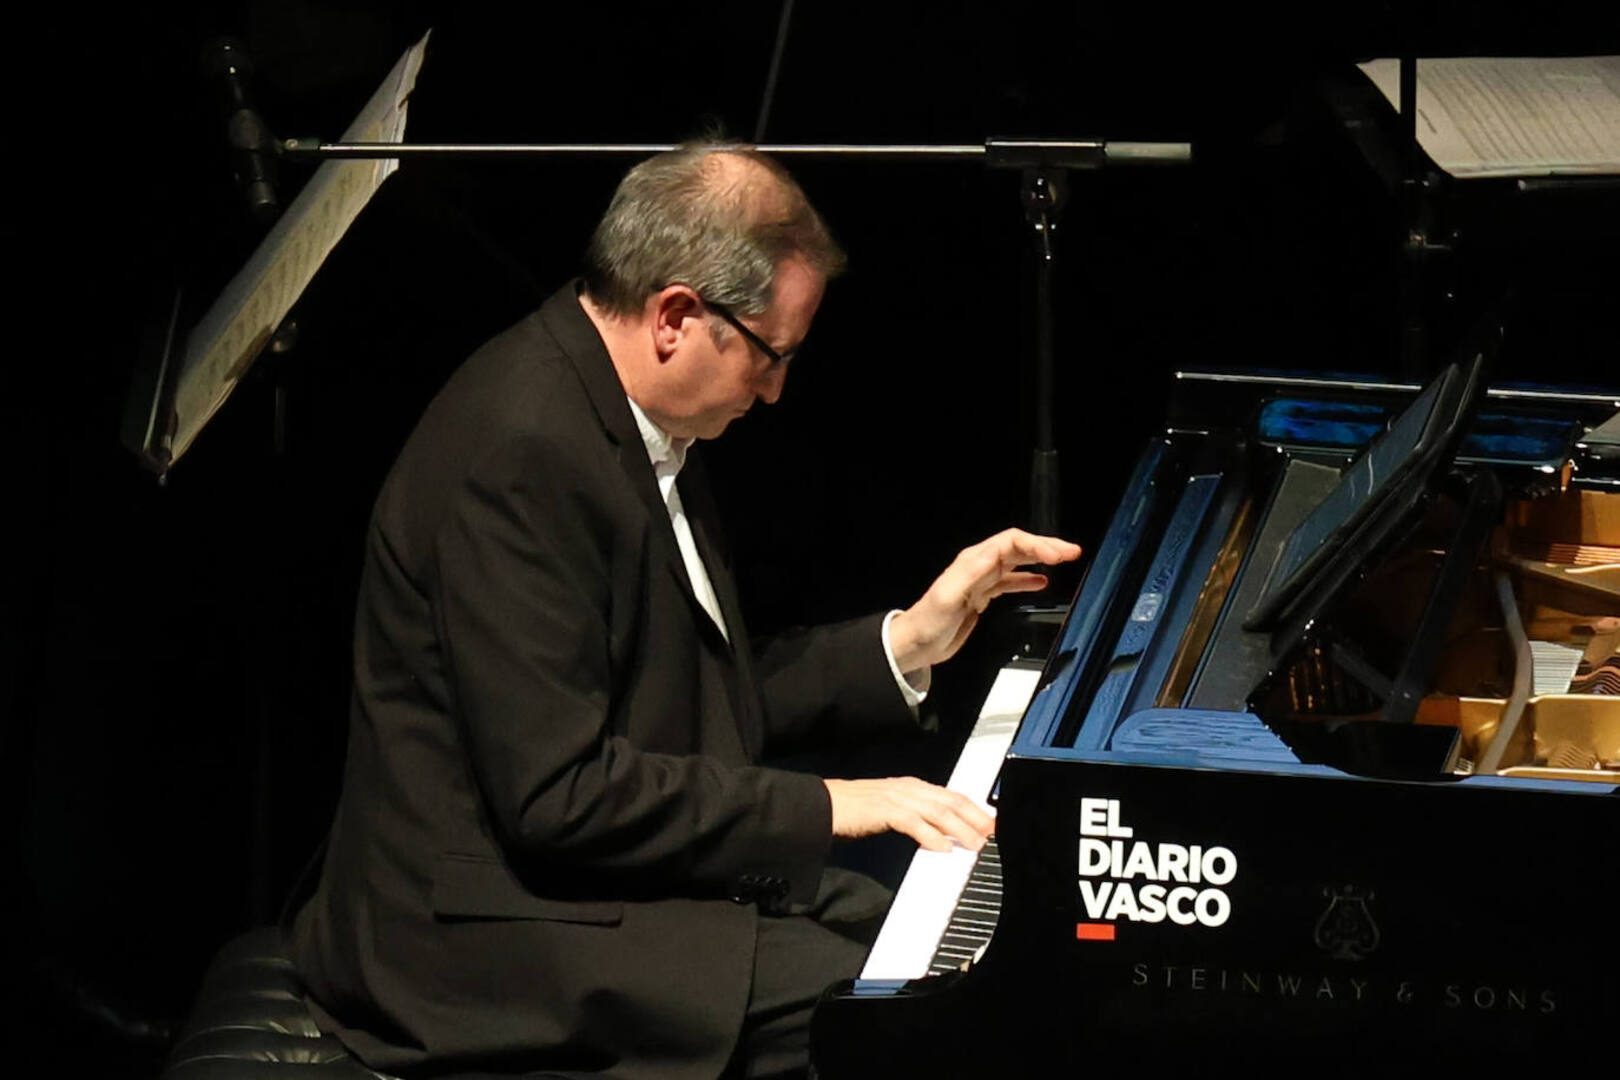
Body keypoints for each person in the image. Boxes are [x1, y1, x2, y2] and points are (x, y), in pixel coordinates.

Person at [286, 143, 1081, 1080]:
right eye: (770, 354)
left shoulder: (630, 415)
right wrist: (832, 803)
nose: (777, 389)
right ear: (675, 316)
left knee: (911, 934)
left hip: (567, 878)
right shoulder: (522, 455)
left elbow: (687, 694)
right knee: (893, 1005)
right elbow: (559, 798)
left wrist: (905, 641)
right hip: (474, 933)